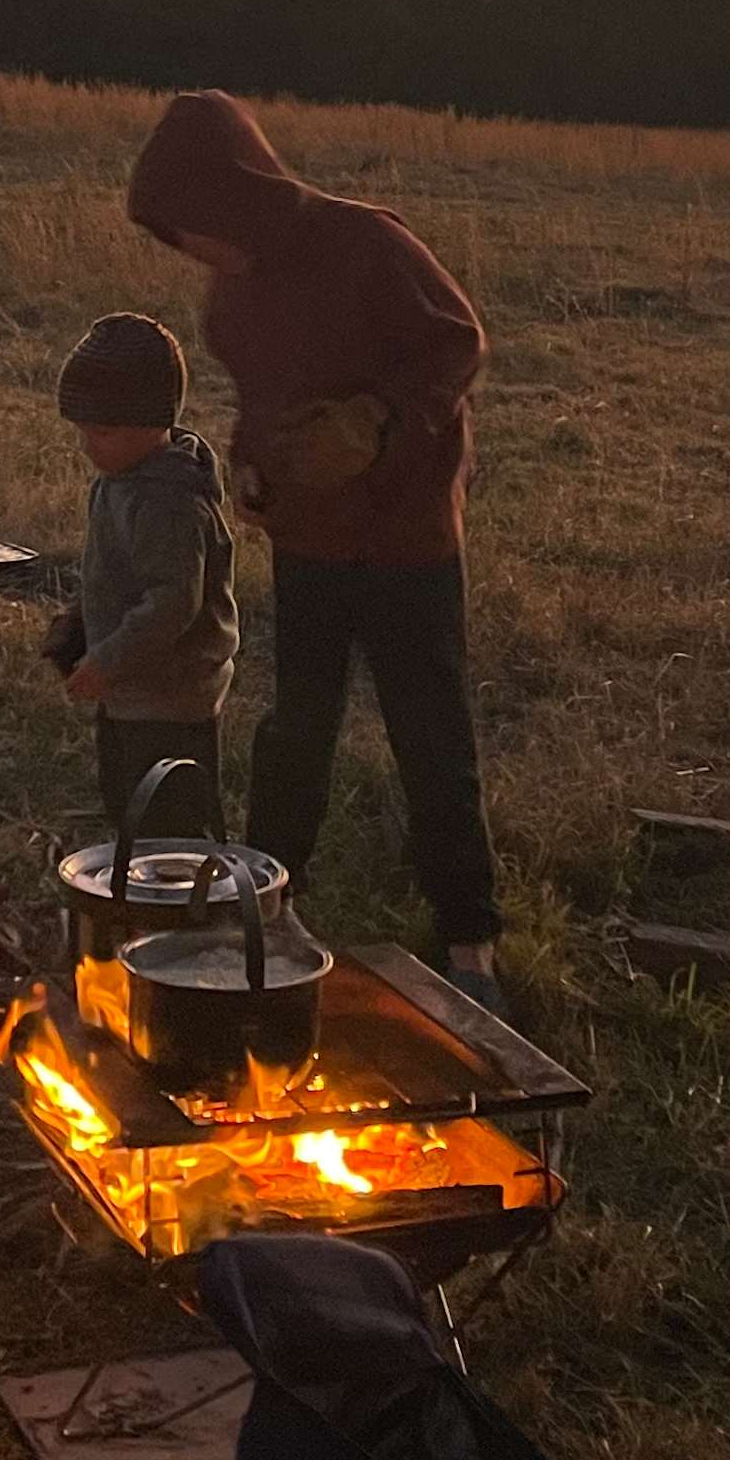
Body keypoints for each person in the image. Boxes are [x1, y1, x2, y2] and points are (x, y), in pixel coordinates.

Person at [122, 93, 504, 1003]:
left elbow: (458, 345)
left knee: (431, 735)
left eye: (196, 229)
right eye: (177, 238)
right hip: (311, 542)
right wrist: (254, 473)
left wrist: (379, 419)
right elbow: (259, 401)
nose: (194, 253)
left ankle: (471, 942)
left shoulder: (367, 245)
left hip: (407, 540)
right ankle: (269, 900)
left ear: (240, 195)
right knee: (296, 726)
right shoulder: (238, 296)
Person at [49, 311, 241, 828]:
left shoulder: (168, 503)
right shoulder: (118, 482)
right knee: (128, 805)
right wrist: (83, 624)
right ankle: (135, 895)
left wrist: (109, 659)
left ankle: (186, 902)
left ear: (154, 423)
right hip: (132, 693)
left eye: (104, 431)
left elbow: (173, 601)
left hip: (171, 698)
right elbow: (120, 577)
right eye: (82, 430)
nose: (88, 444)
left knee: (170, 818)